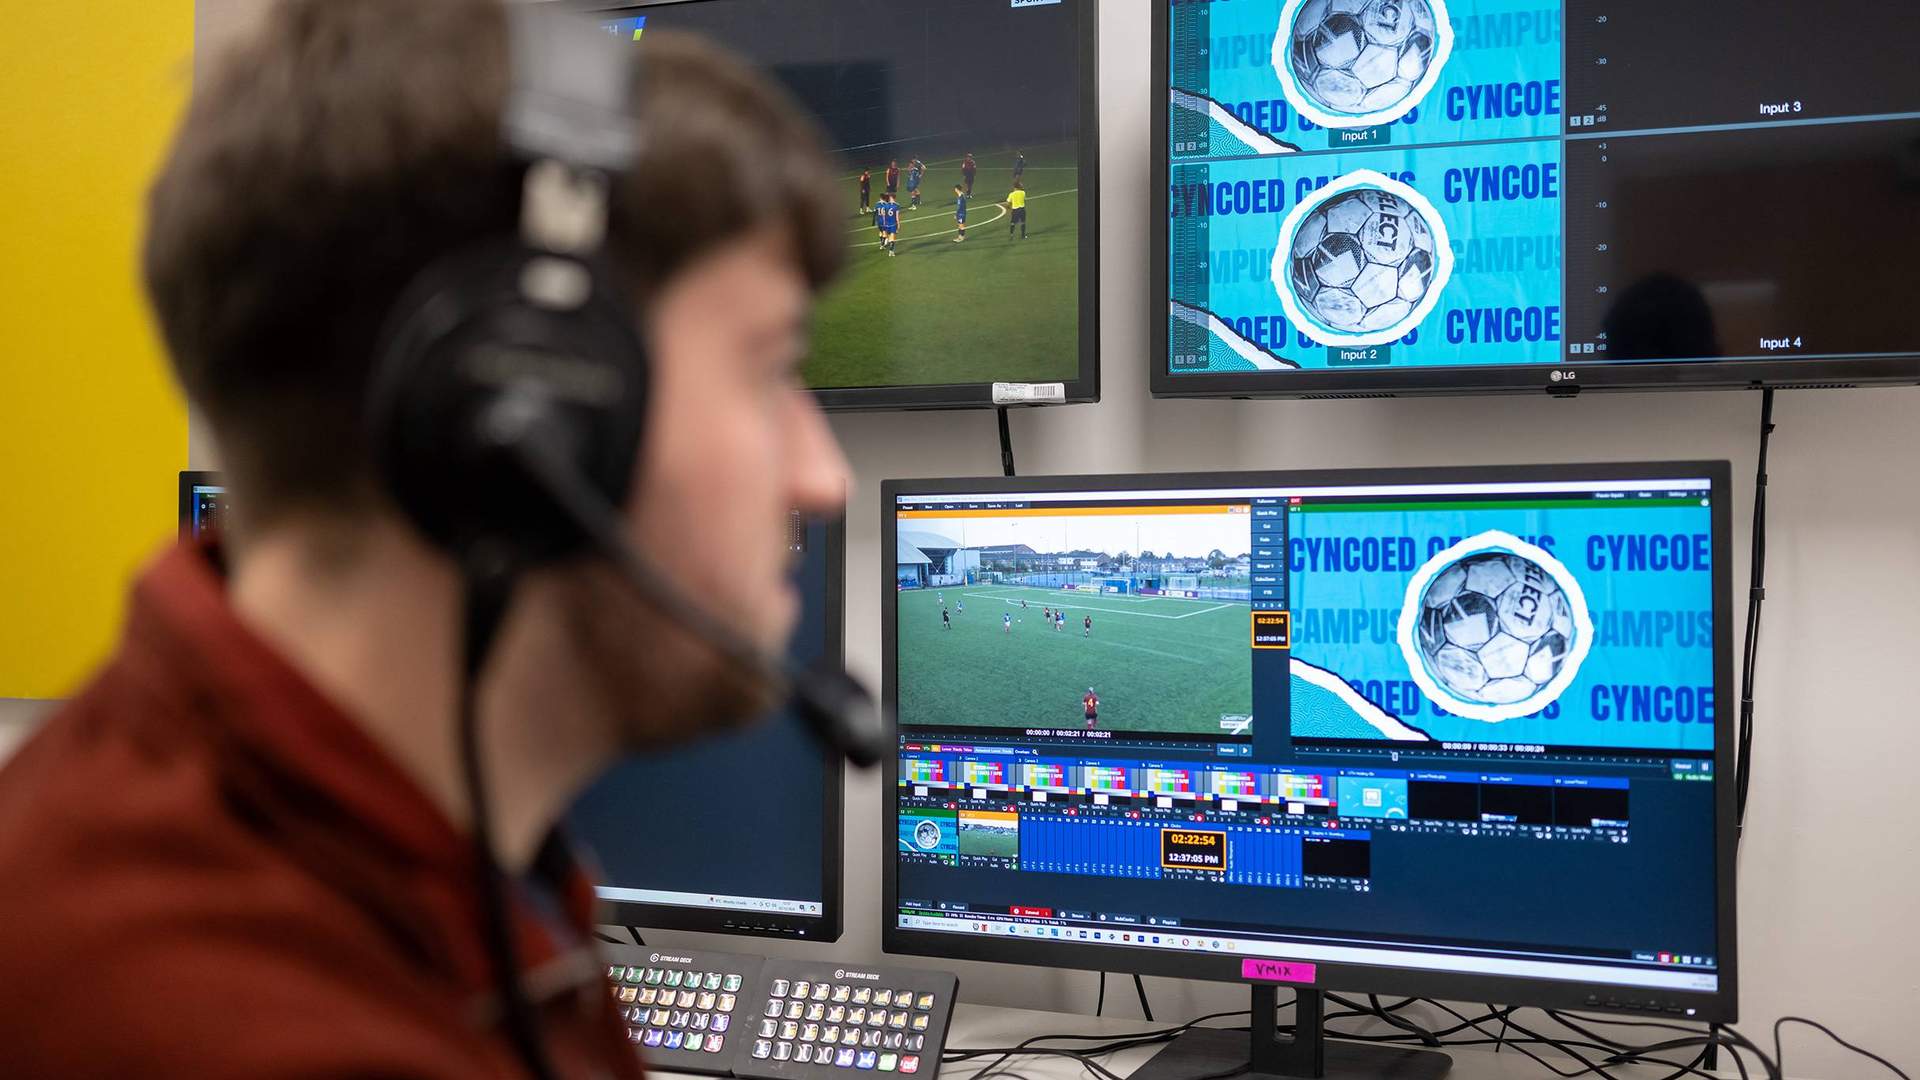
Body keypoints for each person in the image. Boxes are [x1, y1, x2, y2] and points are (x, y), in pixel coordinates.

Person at [0, 4, 850, 1077]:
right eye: (769, 369)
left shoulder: (358, 884)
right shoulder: (250, 1030)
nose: (824, 477)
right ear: (517, 413)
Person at [874, 190, 901, 256]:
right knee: (892, 238)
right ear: (894, 198)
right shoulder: (897, 205)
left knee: (887, 236)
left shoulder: (885, 205)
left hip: (886, 224)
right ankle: (891, 251)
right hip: (893, 224)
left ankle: (883, 245)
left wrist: (884, 222)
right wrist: (898, 225)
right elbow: (897, 217)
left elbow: (883, 215)